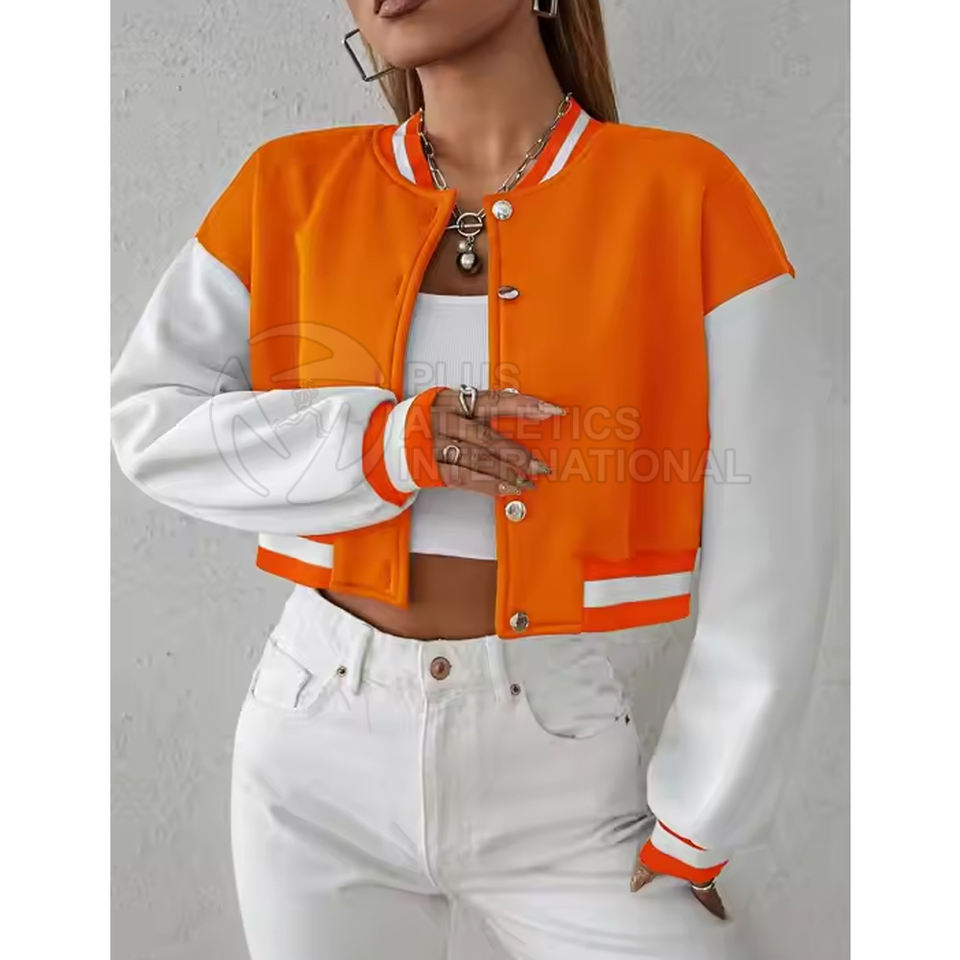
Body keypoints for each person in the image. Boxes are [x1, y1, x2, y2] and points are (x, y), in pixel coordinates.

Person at [110, 1, 832, 957]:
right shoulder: (287, 187)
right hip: (314, 744)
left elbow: (779, 519)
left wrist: (704, 815)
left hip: (562, 759)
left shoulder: (685, 193)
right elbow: (147, 417)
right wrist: (385, 445)